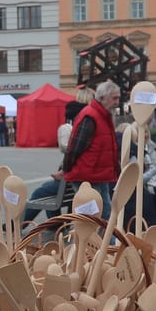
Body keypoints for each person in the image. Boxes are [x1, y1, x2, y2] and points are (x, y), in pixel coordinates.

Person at [22, 100, 86, 228]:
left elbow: (72, 162)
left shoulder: (76, 135)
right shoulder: (82, 133)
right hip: (71, 187)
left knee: (40, 193)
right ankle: (55, 223)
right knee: (48, 190)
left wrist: (62, 174)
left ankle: (19, 224)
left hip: (69, 183)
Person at [63, 81, 121, 219]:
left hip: (98, 175)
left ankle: (106, 240)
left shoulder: (102, 115)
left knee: (104, 214)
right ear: (102, 98)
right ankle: (100, 241)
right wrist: (66, 169)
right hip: (87, 176)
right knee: (95, 217)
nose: (117, 102)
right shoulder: (91, 116)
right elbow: (75, 147)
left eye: (118, 98)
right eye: (114, 98)